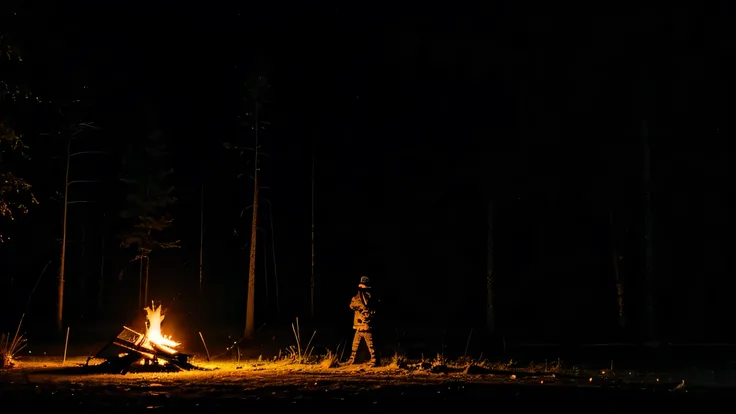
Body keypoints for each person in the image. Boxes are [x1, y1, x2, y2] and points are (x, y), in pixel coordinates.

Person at [347, 275, 378, 366]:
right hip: (359, 324)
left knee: (370, 344)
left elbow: (372, 308)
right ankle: (352, 360)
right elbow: (352, 304)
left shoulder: (369, 297)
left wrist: (368, 313)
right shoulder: (358, 296)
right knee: (355, 344)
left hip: (366, 324)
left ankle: (374, 361)